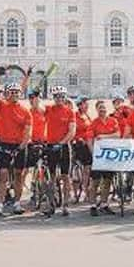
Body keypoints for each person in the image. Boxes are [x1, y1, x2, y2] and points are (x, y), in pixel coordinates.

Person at [0, 78, 31, 216]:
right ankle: (0, 204)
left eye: (16, 92)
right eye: (11, 92)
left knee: (18, 175)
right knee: (3, 175)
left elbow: (27, 132)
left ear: (20, 94)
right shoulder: (2, 105)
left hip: (19, 145)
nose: (14, 95)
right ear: (7, 94)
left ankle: (17, 203)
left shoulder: (25, 111)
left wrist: (21, 146)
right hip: (4, 144)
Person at [44, 86, 77, 216]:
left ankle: (65, 205)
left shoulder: (69, 112)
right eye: (57, 96)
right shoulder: (49, 109)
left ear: (65, 97)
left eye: (62, 96)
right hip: (51, 146)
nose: (59, 99)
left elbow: (72, 131)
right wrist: (36, 93)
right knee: (51, 177)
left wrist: (62, 143)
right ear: (54, 98)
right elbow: (37, 106)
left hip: (63, 147)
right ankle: (51, 204)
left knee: (65, 177)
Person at [88, 101, 121, 216]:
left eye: (104, 108)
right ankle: (92, 205)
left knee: (107, 181)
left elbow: (118, 135)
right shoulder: (94, 123)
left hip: (110, 155)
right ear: (97, 110)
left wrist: (104, 136)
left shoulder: (113, 121)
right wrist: (94, 154)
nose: (102, 110)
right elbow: (90, 140)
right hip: (98, 156)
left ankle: (104, 204)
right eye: (100, 109)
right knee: (95, 182)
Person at [73, 96, 93, 203]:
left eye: (87, 103)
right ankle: (78, 191)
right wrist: (78, 138)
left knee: (88, 168)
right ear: (80, 105)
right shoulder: (75, 116)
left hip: (88, 144)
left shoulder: (87, 116)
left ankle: (86, 189)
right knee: (81, 168)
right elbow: (72, 130)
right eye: (85, 103)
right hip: (78, 144)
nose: (87, 105)